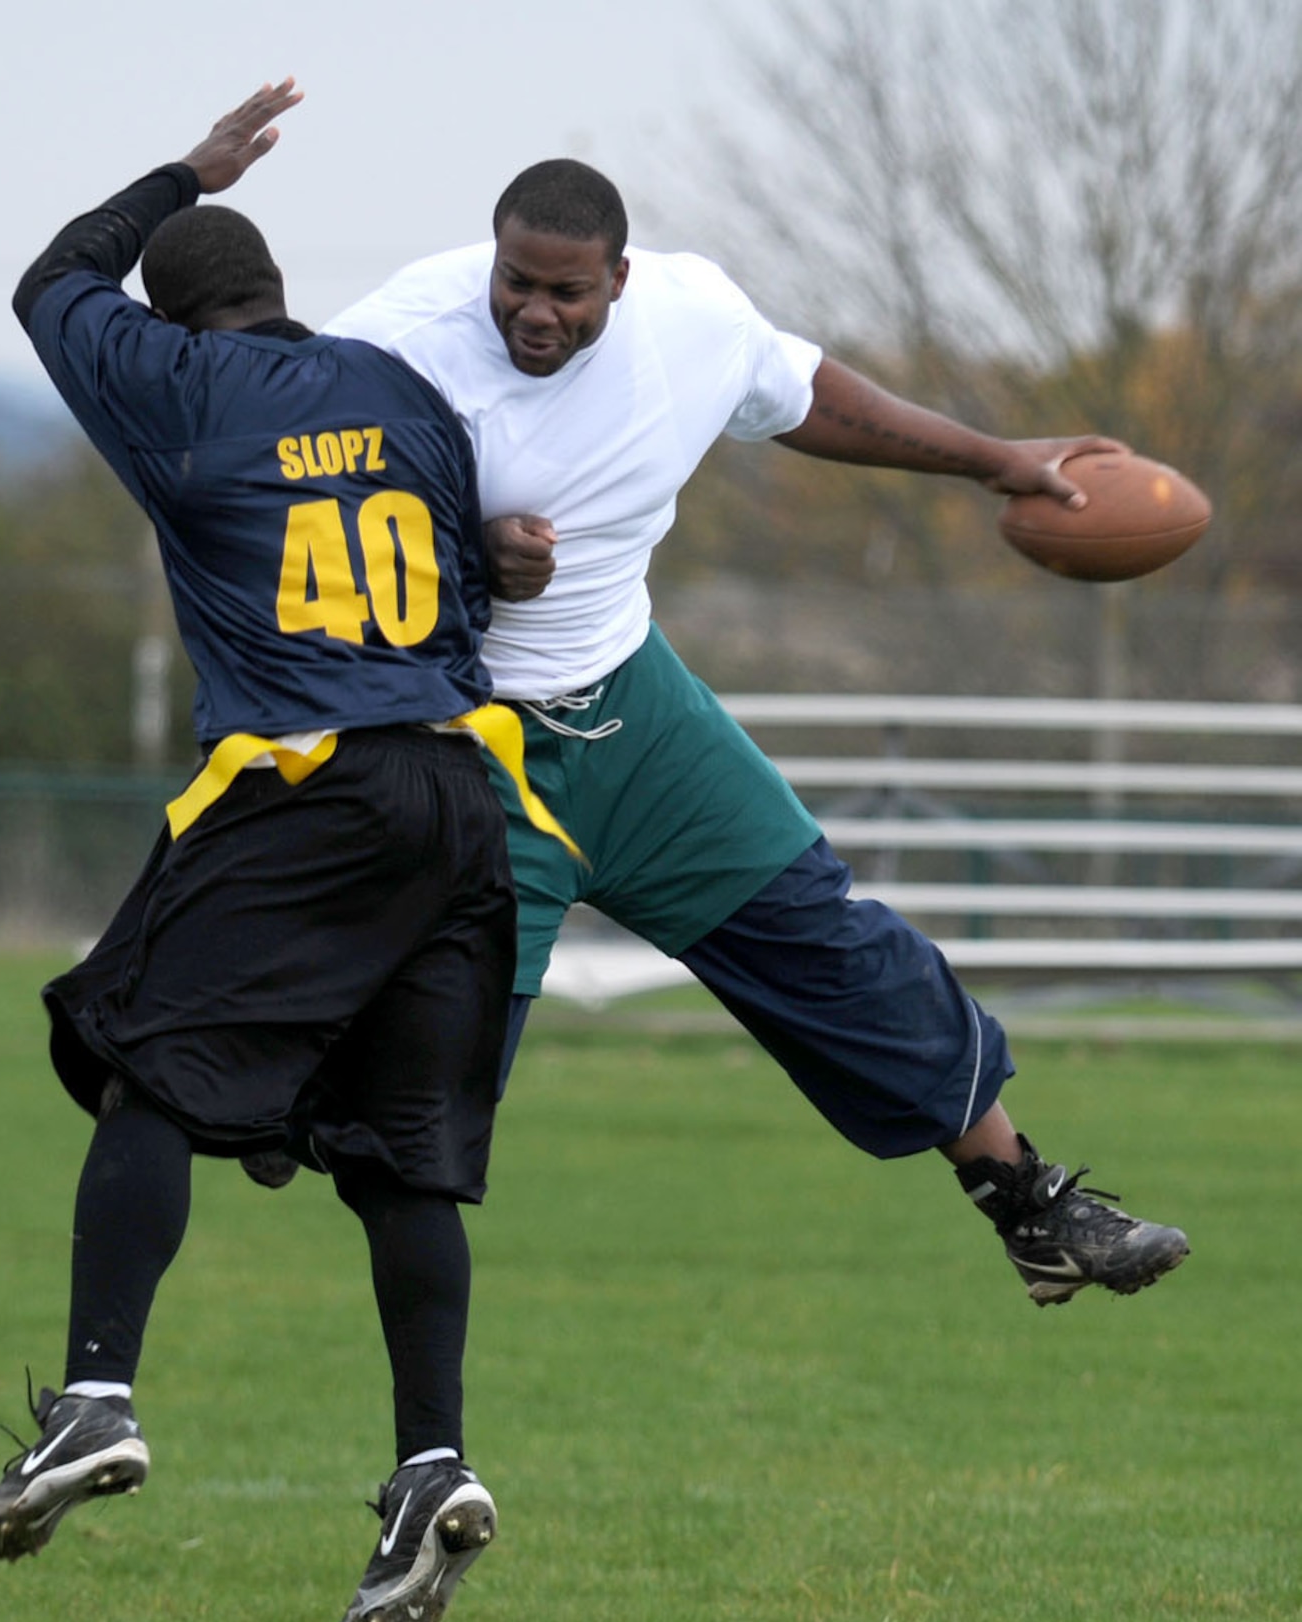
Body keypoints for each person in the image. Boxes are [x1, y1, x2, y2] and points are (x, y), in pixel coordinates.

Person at [316, 158, 1189, 1307]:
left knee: (828, 941)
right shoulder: (388, 346)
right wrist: (463, 556)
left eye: (567, 292)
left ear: (619, 280)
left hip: (632, 711)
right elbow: (288, 525)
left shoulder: (692, 317)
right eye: (515, 282)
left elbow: (808, 393)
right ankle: (426, 1446)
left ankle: (1028, 1202)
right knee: (432, 1089)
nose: (535, 311)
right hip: (461, 748)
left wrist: (994, 460)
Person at [0, 82, 559, 1622]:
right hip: (458, 795)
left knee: (143, 1055)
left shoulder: (168, 378)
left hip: (308, 786)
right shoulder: (402, 387)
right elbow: (471, 587)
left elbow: (46, 285)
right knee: (402, 1163)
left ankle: (95, 1397)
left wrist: (178, 173)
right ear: (281, 293)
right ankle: (431, 1457)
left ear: (176, 308)